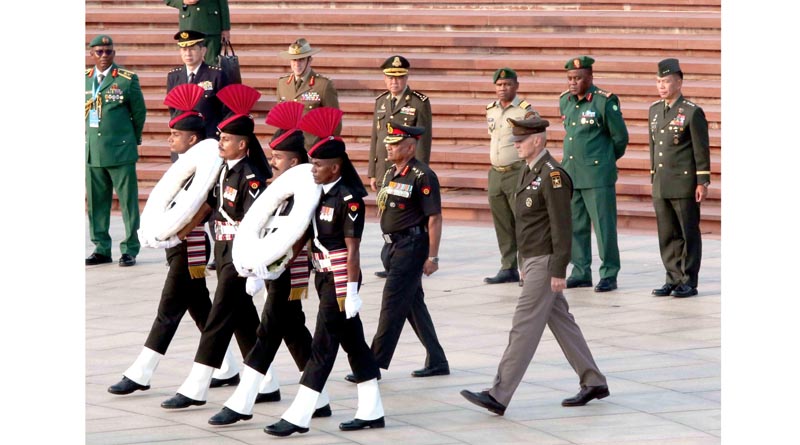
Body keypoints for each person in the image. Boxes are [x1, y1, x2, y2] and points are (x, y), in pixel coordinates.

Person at [460, 116, 609, 416]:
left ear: (538, 140)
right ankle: (593, 380)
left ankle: (499, 394)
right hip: (533, 259)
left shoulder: (553, 175)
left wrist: (558, 269)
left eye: (521, 140)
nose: (516, 144)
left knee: (524, 326)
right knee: (562, 322)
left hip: (546, 260)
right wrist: (522, 262)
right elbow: (525, 225)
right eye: (515, 139)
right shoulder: (527, 172)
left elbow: (562, 226)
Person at [107, 84, 239, 396]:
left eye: (176, 135)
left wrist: (179, 233)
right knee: (201, 309)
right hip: (177, 244)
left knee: (168, 309)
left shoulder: (207, 164)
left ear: (192, 138)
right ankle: (227, 366)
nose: (171, 139)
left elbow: (206, 203)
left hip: (190, 246)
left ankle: (142, 370)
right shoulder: (186, 164)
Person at [207, 101, 332, 426]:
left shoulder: (310, 192)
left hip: (292, 271)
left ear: (295, 162)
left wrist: (270, 267)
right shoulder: (281, 192)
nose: (271, 163)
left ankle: (242, 401)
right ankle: (319, 398)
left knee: (267, 331)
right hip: (275, 269)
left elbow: (299, 235)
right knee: (292, 329)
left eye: (278, 159)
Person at [265, 107, 384, 437]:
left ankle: (300, 413)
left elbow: (353, 249)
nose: (312, 169)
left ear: (336, 167)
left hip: (340, 279)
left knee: (323, 345)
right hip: (321, 275)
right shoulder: (318, 192)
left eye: (318, 165)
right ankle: (372, 408)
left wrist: (353, 290)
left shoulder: (350, 200)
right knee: (355, 344)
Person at [160, 84, 273, 410]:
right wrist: (177, 232)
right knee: (243, 320)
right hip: (222, 249)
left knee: (219, 317)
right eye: (219, 137)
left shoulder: (250, 177)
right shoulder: (224, 169)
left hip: (239, 253)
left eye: (225, 139)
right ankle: (269, 382)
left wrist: (253, 267)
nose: (219, 142)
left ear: (242, 143)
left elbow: (256, 223)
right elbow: (207, 207)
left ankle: (196, 387)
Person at [345, 123, 448, 382]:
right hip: (391, 247)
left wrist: (432, 256)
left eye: (394, 144)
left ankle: (372, 364)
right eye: (388, 143)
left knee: (391, 304)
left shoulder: (423, 175)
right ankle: (437, 359)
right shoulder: (392, 171)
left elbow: (434, 218)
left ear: (410, 147)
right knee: (413, 305)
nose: (388, 147)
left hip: (411, 247)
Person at [559, 56, 629, 292]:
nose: (572, 82)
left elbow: (620, 138)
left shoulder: (604, 101)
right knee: (575, 227)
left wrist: (605, 162)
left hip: (597, 176)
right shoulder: (565, 101)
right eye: (569, 78)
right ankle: (580, 271)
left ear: (590, 77)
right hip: (572, 173)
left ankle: (609, 273)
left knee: (603, 227)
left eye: (578, 78)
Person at [649, 58, 711, 298]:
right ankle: (672, 278)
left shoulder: (691, 112)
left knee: (687, 233)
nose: (661, 86)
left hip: (684, 183)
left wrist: (702, 181)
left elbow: (700, 149)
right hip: (662, 183)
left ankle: (688, 280)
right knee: (667, 233)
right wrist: (653, 176)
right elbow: (654, 148)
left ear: (679, 81)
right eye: (658, 81)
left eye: (665, 81)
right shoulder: (654, 110)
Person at [369, 55, 432, 278]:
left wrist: (419, 173)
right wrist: (373, 172)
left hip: (408, 170)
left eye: (399, 78)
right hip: (386, 168)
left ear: (406, 78)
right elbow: (376, 139)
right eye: (390, 78)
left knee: (410, 214)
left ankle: (419, 255)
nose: (394, 82)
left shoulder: (418, 102)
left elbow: (423, 142)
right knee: (389, 212)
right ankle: (391, 259)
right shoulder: (381, 101)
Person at [85, 34, 146, 267]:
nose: (103, 56)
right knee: (96, 203)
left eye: (108, 52)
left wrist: (131, 138)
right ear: (92, 54)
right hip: (93, 150)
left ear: (114, 53)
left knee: (128, 202)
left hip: (120, 150)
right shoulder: (84, 79)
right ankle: (101, 248)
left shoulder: (126, 79)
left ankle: (130, 248)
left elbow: (139, 113)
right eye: (99, 52)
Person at [484, 67, 537, 286]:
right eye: (499, 85)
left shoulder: (525, 111)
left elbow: (536, 138)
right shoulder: (491, 110)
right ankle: (508, 266)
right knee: (502, 223)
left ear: (516, 86)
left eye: (507, 85)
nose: (502, 88)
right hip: (496, 173)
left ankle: (528, 268)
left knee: (522, 221)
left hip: (517, 172)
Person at [276, 38, 340, 150]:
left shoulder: (323, 85)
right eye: (293, 60)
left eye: (301, 60)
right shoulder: (282, 84)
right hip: (289, 149)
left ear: (309, 60)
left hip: (312, 148)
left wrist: (327, 151)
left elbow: (335, 123)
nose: (297, 64)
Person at [167, 30, 229, 140]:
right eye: (184, 49)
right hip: (182, 140)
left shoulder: (216, 75)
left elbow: (225, 110)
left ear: (203, 51)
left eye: (192, 49)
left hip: (209, 137)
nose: (188, 53)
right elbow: (173, 109)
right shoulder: (174, 76)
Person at [164, 0, 230, 65]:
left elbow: (223, 4)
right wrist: (182, 1)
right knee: (190, 61)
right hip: (190, 24)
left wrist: (225, 28)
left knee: (212, 63)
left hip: (211, 26)